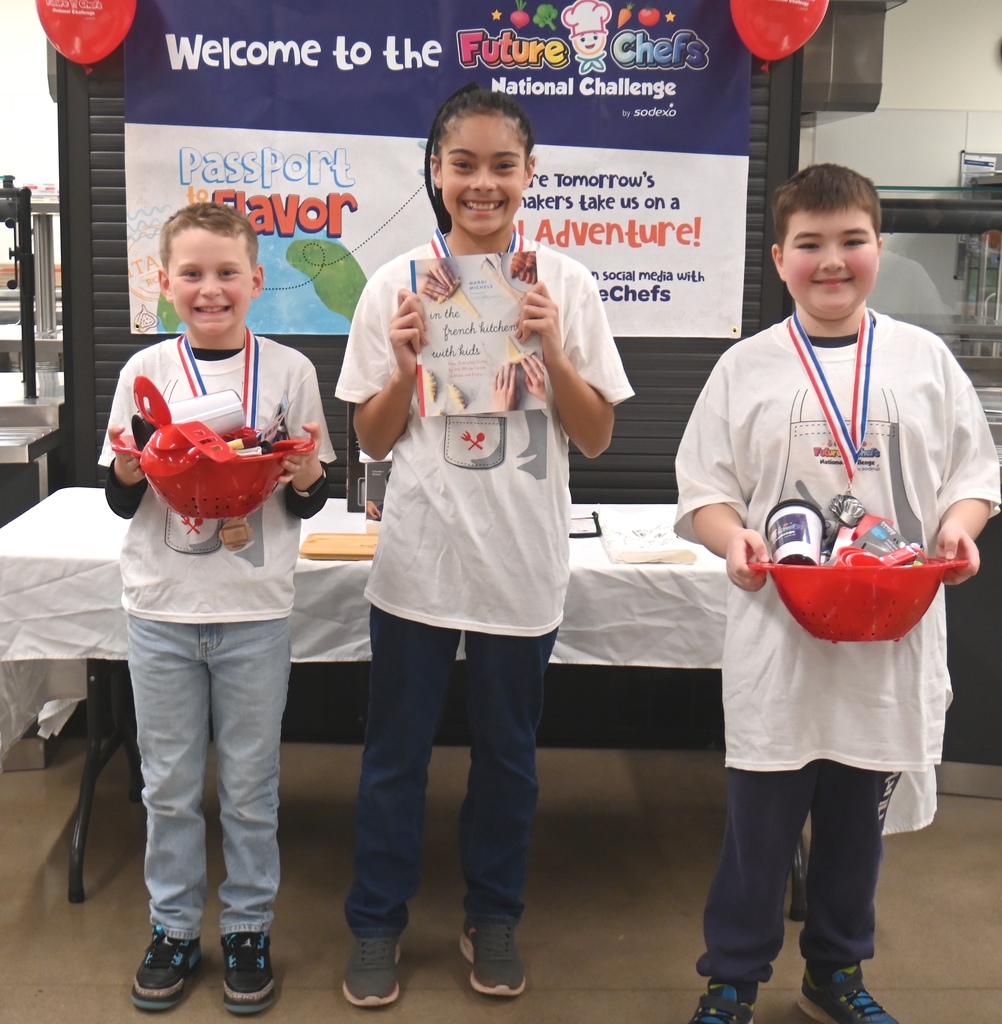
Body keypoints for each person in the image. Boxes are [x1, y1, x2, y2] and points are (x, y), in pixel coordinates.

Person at [673, 163, 1000, 1024]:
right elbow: (701, 490)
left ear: (878, 250)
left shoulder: (924, 360)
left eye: (851, 241)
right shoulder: (744, 368)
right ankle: (732, 979)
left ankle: (838, 973)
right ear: (778, 257)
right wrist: (731, 538)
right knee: (760, 829)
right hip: (777, 638)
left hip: (889, 635)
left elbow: (976, 473)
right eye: (810, 244)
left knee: (856, 827)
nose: (832, 260)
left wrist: (958, 528)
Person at [334, 83, 633, 1006]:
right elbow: (373, 439)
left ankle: (492, 913)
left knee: (509, 756)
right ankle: (377, 923)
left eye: (503, 165)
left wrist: (555, 355)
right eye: (462, 164)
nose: (483, 184)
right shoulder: (395, 285)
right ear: (434, 171)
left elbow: (594, 436)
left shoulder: (565, 283)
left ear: (529, 174)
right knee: (394, 757)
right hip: (419, 561)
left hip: (520, 564)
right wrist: (410, 362)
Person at [99, 201, 335, 1014]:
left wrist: (300, 467)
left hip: (254, 612)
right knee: (166, 787)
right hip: (160, 608)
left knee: (249, 787)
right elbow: (119, 499)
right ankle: (171, 928)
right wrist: (139, 465)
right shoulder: (145, 374)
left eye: (227, 273)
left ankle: (246, 929)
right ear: (164, 284)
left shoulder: (291, 373)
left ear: (257, 282)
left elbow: (310, 499)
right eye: (192, 274)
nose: (210, 289)